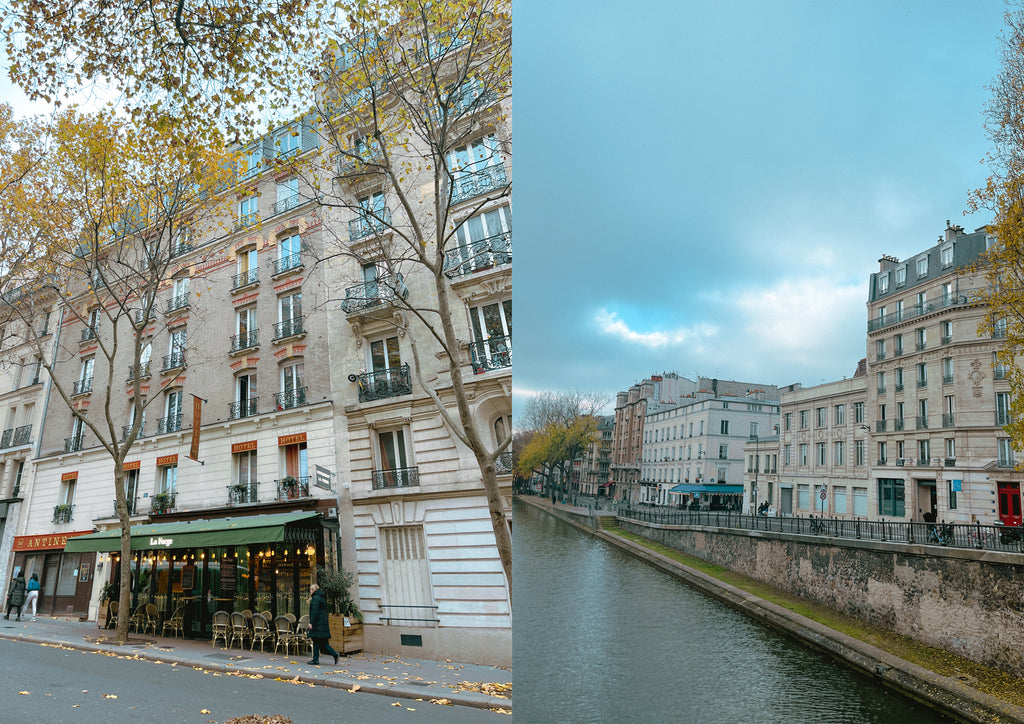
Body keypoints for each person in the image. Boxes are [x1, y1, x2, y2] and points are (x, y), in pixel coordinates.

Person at [306, 583, 340, 666]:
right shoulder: (322, 598)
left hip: (317, 625)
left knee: (317, 642)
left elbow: (314, 612)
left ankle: (317, 659)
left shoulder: (315, 599)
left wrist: (311, 623)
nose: (310, 591)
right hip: (322, 624)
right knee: (322, 643)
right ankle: (319, 658)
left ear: (314, 590)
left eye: (311, 589)